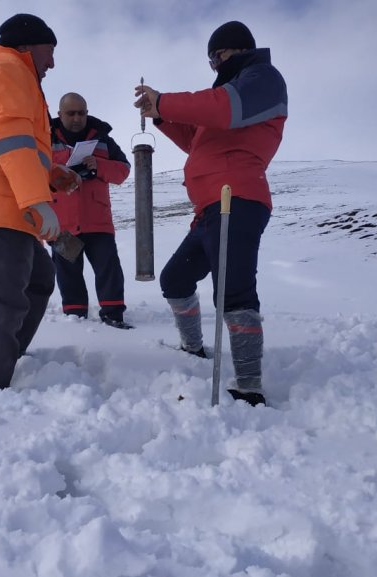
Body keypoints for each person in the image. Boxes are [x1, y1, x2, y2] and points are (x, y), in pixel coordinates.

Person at [134, 21, 287, 406]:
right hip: (209, 209)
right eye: (211, 59)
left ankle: (249, 385)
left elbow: (223, 109)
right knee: (175, 279)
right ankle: (193, 349)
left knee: (234, 291)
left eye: (216, 56)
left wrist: (165, 99)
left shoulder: (262, 80)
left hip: (237, 199)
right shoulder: (228, 99)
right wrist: (161, 117)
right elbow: (198, 140)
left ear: (237, 50)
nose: (214, 65)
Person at [0, 13, 81, 396]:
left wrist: (52, 174)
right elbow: (10, 139)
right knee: (5, 293)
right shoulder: (8, 68)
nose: (52, 63)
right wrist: (38, 201)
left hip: (1, 194)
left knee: (38, 279)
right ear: (27, 46)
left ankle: (4, 357)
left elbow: (14, 144)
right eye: (50, 51)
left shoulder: (10, 72)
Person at [50, 92, 133, 329]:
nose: (77, 118)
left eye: (81, 113)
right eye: (71, 113)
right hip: (62, 224)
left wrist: (99, 166)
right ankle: (75, 321)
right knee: (68, 274)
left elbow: (123, 171)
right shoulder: (43, 139)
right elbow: (32, 174)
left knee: (109, 269)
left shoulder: (103, 140)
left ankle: (113, 315)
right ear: (60, 114)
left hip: (98, 222)